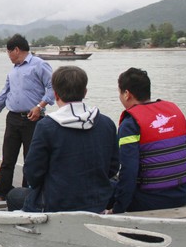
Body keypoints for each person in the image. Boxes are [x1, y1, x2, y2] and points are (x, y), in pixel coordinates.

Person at [6, 66, 119, 213]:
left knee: (14, 195)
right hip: (97, 201)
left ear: (56, 94)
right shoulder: (106, 123)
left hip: (57, 203)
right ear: (85, 92)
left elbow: (32, 173)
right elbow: (113, 167)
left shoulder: (46, 126)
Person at [109, 67, 186, 214]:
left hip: (149, 199)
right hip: (181, 194)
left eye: (120, 93)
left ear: (127, 94)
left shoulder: (130, 125)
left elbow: (129, 171)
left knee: (103, 185)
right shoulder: (174, 111)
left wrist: (118, 209)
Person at [0, 34, 54, 200]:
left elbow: (53, 86)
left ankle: (27, 194)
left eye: (9, 52)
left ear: (16, 50)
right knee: (8, 158)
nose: (8, 56)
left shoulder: (39, 65)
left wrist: (40, 106)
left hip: (33, 118)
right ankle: (2, 193)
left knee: (31, 158)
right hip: (13, 118)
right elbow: (5, 92)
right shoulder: (13, 70)